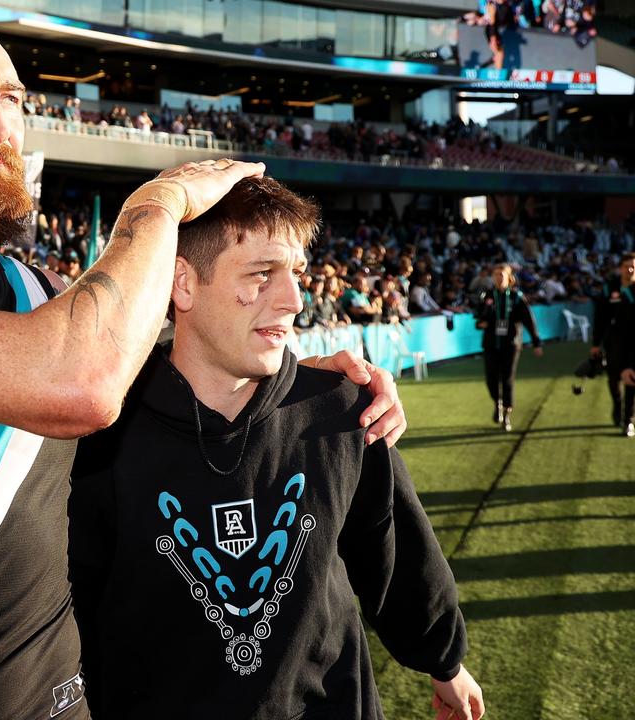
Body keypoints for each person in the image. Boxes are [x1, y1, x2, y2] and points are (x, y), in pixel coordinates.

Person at [0, 12, 405, 719]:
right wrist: (157, 206)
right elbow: (80, 383)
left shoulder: (44, 299)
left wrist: (303, 388)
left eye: (11, 98)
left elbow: (175, 399)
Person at [68, 176, 482, 720]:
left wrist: (445, 662)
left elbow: (397, 553)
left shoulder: (342, 412)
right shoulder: (102, 433)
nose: (294, 300)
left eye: (297, 275)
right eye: (262, 275)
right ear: (183, 284)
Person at [475, 263, 542, 432]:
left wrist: (536, 342)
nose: (498, 277)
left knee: (507, 379)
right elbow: (479, 317)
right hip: (490, 344)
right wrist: (482, 321)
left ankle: (506, 415)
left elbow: (529, 320)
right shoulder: (487, 296)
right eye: (496, 274)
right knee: (491, 379)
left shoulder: (516, 296)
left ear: (509, 277)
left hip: (510, 345)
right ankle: (497, 402)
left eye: (501, 274)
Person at [591, 251, 635, 436]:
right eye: (626, 266)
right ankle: (618, 407)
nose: (630, 269)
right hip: (613, 343)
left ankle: (629, 421)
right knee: (613, 379)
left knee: (632, 379)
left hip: (634, 344)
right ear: (620, 268)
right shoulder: (610, 288)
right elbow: (600, 317)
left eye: (633, 265)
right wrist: (595, 343)